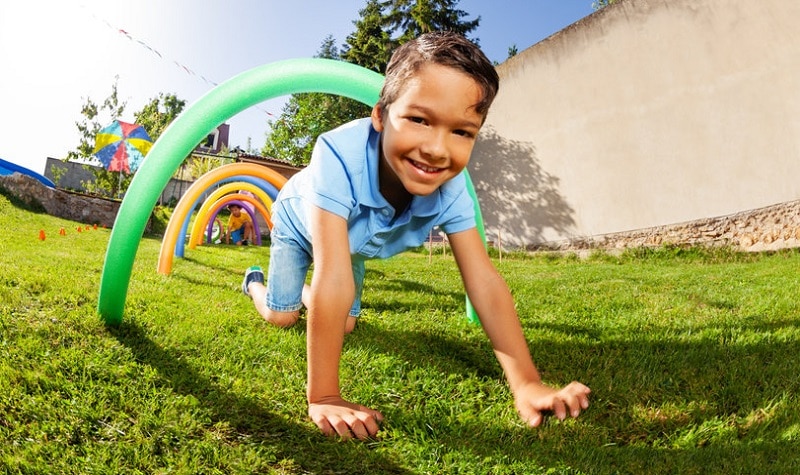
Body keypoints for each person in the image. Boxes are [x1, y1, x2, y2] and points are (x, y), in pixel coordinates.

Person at [241, 31, 591, 440]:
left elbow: (484, 281)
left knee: (345, 325)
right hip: (301, 224)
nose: (437, 149)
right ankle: (254, 284)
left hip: (350, 244)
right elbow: (334, 276)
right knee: (284, 317)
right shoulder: (338, 154)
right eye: (419, 120)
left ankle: (311, 293)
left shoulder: (451, 187)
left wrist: (526, 382)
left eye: (462, 132)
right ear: (380, 116)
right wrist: (325, 395)